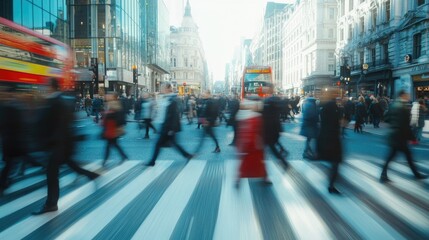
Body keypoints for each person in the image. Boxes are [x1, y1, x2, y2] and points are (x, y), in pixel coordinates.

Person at [33, 78, 99, 215]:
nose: (45, 88)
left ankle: (51, 204)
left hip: (58, 145)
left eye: (46, 86)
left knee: (52, 175)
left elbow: (60, 126)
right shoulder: (58, 101)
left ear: (51, 87)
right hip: (62, 145)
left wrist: (50, 143)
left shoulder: (57, 102)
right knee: (71, 166)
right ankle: (91, 175)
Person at [380, 91, 428, 182]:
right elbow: (406, 125)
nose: (408, 97)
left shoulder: (393, 105)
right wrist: (413, 138)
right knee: (407, 156)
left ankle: (383, 175)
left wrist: (394, 124)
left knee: (393, 156)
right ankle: (417, 175)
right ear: (403, 95)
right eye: (407, 95)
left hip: (393, 134)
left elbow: (386, 118)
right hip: (400, 136)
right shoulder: (403, 107)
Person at [144, 83, 193, 166]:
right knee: (173, 143)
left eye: (162, 87)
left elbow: (175, 116)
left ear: (168, 89)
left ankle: (152, 161)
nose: (161, 89)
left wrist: (171, 129)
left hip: (168, 127)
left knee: (159, 144)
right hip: (165, 125)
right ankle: (187, 155)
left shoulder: (173, 99)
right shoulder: (165, 98)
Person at [235, 97, 270, 187]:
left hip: (250, 143)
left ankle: (238, 179)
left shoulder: (244, 115)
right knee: (257, 162)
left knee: (248, 162)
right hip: (254, 143)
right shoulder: (254, 117)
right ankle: (264, 177)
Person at [317, 90, 343, 194]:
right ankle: (331, 185)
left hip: (325, 137)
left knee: (333, 161)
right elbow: (336, 122)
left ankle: (332, 183)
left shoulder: (323, 107)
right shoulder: (333, 107)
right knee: (335, 162)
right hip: (332, 138)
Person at [262, 85, 289, 169]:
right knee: (272, 144)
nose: (263, 89)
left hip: (269, 128)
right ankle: (283, 155)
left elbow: (265, 114)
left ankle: (283, 162)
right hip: (274, 128)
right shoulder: (275, 100)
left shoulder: (269, 101)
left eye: (265, 88)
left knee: (271, 146)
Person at [102, 92, 129, 166]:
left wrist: (107, 116)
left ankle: (105, 160)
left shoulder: (114, 104)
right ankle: (124, 156)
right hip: (111, 127)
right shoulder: (109, 103)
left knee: (110, 144)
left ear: (113, 97)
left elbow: (118, 116)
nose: (106, 97)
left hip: (113, 127)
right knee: (114, 144)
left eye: (108, 96)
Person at [300, 93, 319, 160]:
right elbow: (311, 115)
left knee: (309, 139)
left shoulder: (307, 104)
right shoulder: (312, 105)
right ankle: (309, 153)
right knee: (311, 139)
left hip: (308, 125)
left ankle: (307, 152)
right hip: (310, 126)